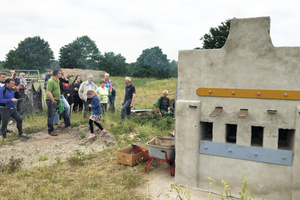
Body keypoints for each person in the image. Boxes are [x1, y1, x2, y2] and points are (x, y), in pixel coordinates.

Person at [46, 68, 70, 136]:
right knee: (51, 115)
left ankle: (67, 122)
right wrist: (53, 100)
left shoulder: (57, 80)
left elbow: (57, 90)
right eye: (60, 73)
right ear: (57, 74)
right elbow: (48, 92)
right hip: (51, 101)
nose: (60, 74)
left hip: (57, 99)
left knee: (64, 109)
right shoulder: (50, 81)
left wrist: (58, 98)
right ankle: (50, 130)